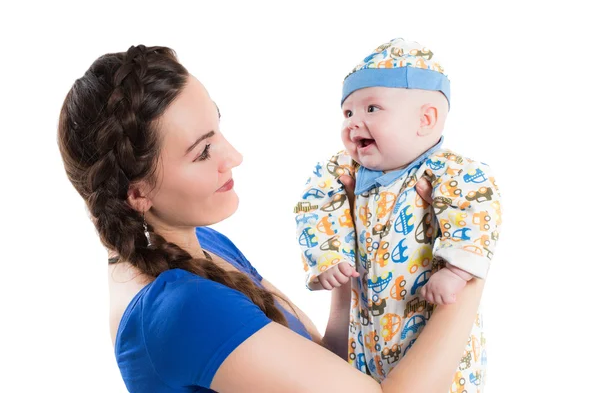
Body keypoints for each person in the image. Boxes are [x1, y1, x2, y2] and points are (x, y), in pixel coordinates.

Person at [57, 44, 486, 393]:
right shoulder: (183, 308)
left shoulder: (203, 246)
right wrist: (469, 260)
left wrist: (349, 262)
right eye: (203, 151)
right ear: (138, 193)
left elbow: (325, 369)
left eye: (218, 129)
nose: (234, 157)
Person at [294, 37, 502, 389]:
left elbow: (477, 207)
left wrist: (456, 270)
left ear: (426, 119)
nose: (353, 123)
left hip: (433, 339)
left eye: (371, 109)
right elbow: (313, 205)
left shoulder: (448, 172)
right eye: (348, 112)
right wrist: (328, 257)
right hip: (364, 341)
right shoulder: (343, 170)